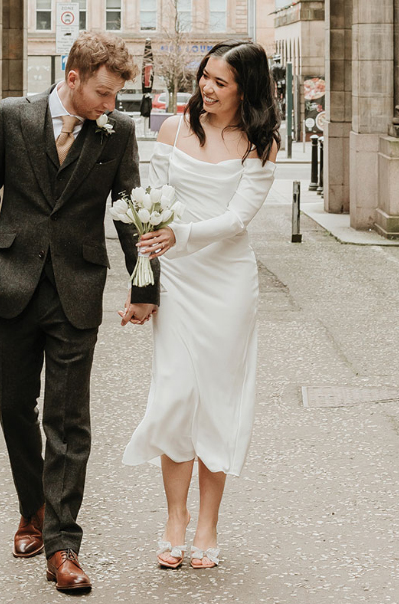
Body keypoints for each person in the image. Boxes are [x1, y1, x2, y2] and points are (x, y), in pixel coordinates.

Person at [0, 32, 160, 593]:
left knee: (68, 419)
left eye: (115, 95)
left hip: (76, 287)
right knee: (13, 406)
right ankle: (33, 508)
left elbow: (128, 210)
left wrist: (144, 287)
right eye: (103, 93)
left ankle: (62, 545)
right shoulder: (13, 117)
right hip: (9, 286)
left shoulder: (117, 131)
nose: (111, 105)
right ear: (72, 78)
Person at [122, 40, 280, 570]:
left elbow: (238, 219)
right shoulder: (172, 129)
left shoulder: (260, 143)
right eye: (205, 77)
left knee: (217, 399)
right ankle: (175, 517)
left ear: (244, 90)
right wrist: (143, 289)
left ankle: (208, 523)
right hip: (178, 280)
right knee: (176, 395)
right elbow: (151, 211)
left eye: (220, 82)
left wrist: (181, 235)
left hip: (227, 283)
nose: (206, 88)